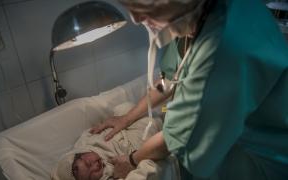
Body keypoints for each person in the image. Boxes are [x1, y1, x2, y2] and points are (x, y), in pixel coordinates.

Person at [90, 0, 288, 179]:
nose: (136, 19)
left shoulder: (222, 49)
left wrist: (131, 160)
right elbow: (168, 81)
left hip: (260, 158)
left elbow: (173, 139)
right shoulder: (189, 22)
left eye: (141, 7)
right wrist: (127, 118)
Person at [51, 102, 178, 180]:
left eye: (88, 162)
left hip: (124, 126)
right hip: (137, 142)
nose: (95, 165)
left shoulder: (83, 144)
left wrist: (117, 120)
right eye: (91, 176)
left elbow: (93, 132)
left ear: (79, 154)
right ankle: (169, 112)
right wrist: (123, 174)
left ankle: (167, 109)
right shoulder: (111, 174)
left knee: (124, 107)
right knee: (154, 120)